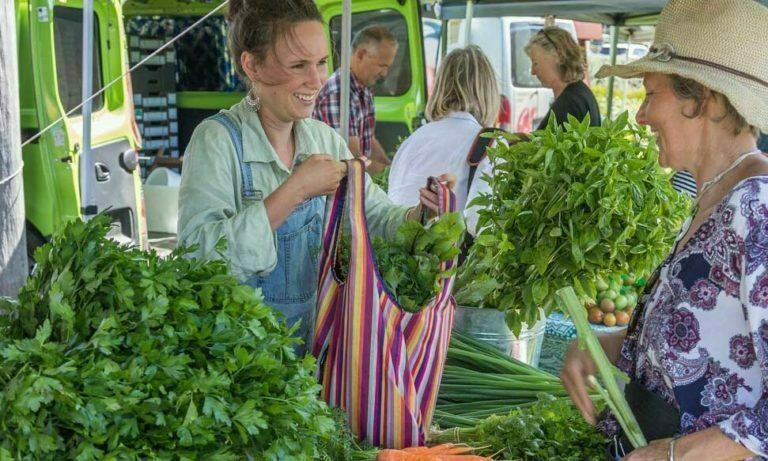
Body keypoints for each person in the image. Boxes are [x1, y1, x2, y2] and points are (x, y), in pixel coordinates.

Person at [177, 0, 450, 353]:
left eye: (322, 62)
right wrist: (295, 191)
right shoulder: (217, 140)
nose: (317, 80)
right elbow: (197, 259)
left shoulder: (323, 139)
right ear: (252, 65)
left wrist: (422, 212)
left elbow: (380, 217)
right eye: (298, 65)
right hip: (240, 358)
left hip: (314, 352)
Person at [560, 0, 768, 459]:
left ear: (701, 98)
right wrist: (603, 345)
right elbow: (704, 346)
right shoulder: (713, 195)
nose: (641, 115)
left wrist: (680, 453)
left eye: (651, 95)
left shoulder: (757, 210)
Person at [386, 45, 500, 233]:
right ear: (488, 91)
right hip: (449, 260)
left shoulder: (412, 141)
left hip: (395, 253)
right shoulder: (491, 143)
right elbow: (480, 225)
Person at [313, 26, 397, 174]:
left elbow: (369, 140)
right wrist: (392, 174)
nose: (385, 73)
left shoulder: (364, 88)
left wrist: (390, 167)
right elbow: (351, 159)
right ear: (360, 55)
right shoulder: (340, 93)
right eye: (382, 66)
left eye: (388, 67)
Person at [525, 26, 601, 130]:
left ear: (558, 55)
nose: (533, 71)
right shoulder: (577, 94)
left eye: (535, 63)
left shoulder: (570, 103)